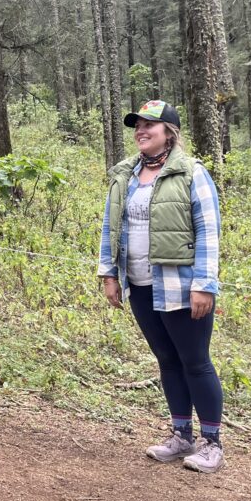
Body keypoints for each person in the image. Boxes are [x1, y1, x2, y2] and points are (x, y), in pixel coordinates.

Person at [97, 99, 225, 474]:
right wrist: (109, 273)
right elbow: (110, 227)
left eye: (149, 125)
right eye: (137, 125)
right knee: (167, 361)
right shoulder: (126, 176)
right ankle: (181, 434)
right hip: (140, 285)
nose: (141, 130)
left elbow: (209, 231)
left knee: (195, 361)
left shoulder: (191, 173)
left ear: (169, 132)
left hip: (182, 287)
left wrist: (204, 284)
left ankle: (212, 442)